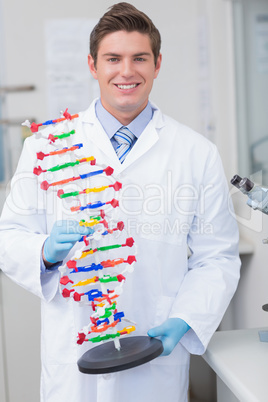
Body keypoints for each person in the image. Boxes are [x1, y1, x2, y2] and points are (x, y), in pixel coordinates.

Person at [0, 2, 240, 402]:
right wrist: (44, 250)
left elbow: (216, 256)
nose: (126, 71)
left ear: (157, 64)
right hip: (72, 362)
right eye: (113, 58)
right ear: (93, 66)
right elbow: (8, 236)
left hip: (154, 358)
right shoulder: (47, 145)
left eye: (139, 58)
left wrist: (184, 319)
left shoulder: (196, 153)